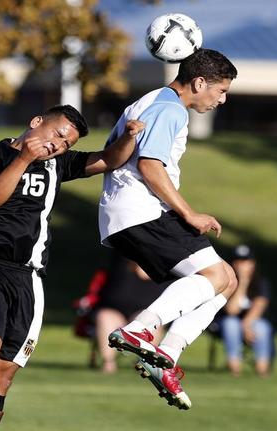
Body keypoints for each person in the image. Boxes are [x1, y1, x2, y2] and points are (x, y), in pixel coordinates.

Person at [0, 105, 144, 431]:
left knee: (5, 371)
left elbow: (110, 159)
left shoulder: (57, 164)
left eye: (67, 144)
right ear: (36, 121)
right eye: (58, 134)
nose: (58, 145)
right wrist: (23, 159)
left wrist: (129, 137)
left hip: (28, 275)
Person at [99, 48, 239, 409]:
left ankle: (167, 357)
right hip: (141, 211)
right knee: (215, 275)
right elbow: (150, 165)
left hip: (129, 213)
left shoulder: (155, 101)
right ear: (200, 82)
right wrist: (189, 213)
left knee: (227, 279)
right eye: (221, 90)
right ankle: (140, 328)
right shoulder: (170, 108)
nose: (222, 100)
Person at [93, 256, 166, 374]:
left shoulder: (164, 266)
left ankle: (145, 364)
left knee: (151, 319)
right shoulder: (121, 259)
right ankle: (108, 364)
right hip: (115, 311)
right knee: (105, 316)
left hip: (146, 312)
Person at [221, 244, 274, 377]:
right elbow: (232, 310)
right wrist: (243, 282)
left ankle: (262, 366)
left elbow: (259, 306)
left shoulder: (261, 282)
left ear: (252, 264)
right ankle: (234, 366)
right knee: (230, 323)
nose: (241, 265)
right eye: (238, 261)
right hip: (231, 322)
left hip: (252, 322)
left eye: (245, 261)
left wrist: (245, 325)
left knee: (262, 326)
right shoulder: (228, 282)